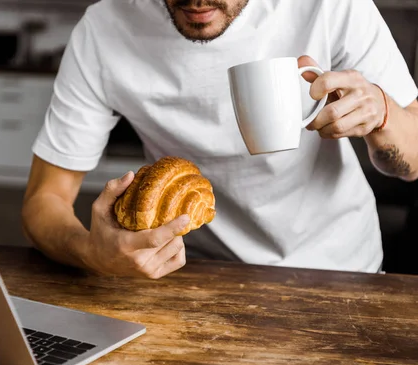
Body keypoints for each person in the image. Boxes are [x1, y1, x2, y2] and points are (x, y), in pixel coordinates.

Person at [21, 0, 418, 278]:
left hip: (339, 269)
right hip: (191, 276)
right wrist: (90, 253)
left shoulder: (332, 6)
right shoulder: (103, 29)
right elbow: (45, 199)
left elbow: (414, 161)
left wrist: (383, 113)